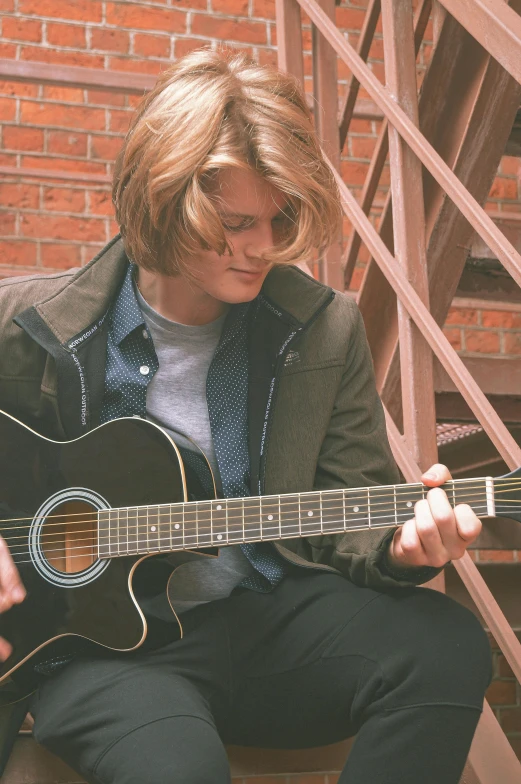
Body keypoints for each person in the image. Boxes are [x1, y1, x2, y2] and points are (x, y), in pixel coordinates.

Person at [0, 48, 491, 784]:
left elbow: (349, 503)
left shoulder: (322, 328)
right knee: (180, 767)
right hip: (103, 655)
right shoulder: (25, 320)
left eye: (279, 218)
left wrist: (400, 549)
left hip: (267, 621)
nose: (262, 247)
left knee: (446, 643)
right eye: (234, 223)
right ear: (165, 200)